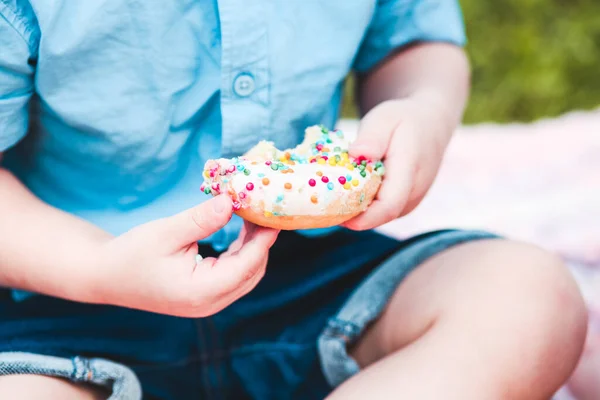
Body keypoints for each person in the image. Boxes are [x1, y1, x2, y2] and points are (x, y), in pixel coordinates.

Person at [0, 1, 587, 399]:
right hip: (66, 300)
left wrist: (421, 110)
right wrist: (100, 268)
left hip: (310, 276)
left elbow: (412, 40)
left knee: (529, 296)